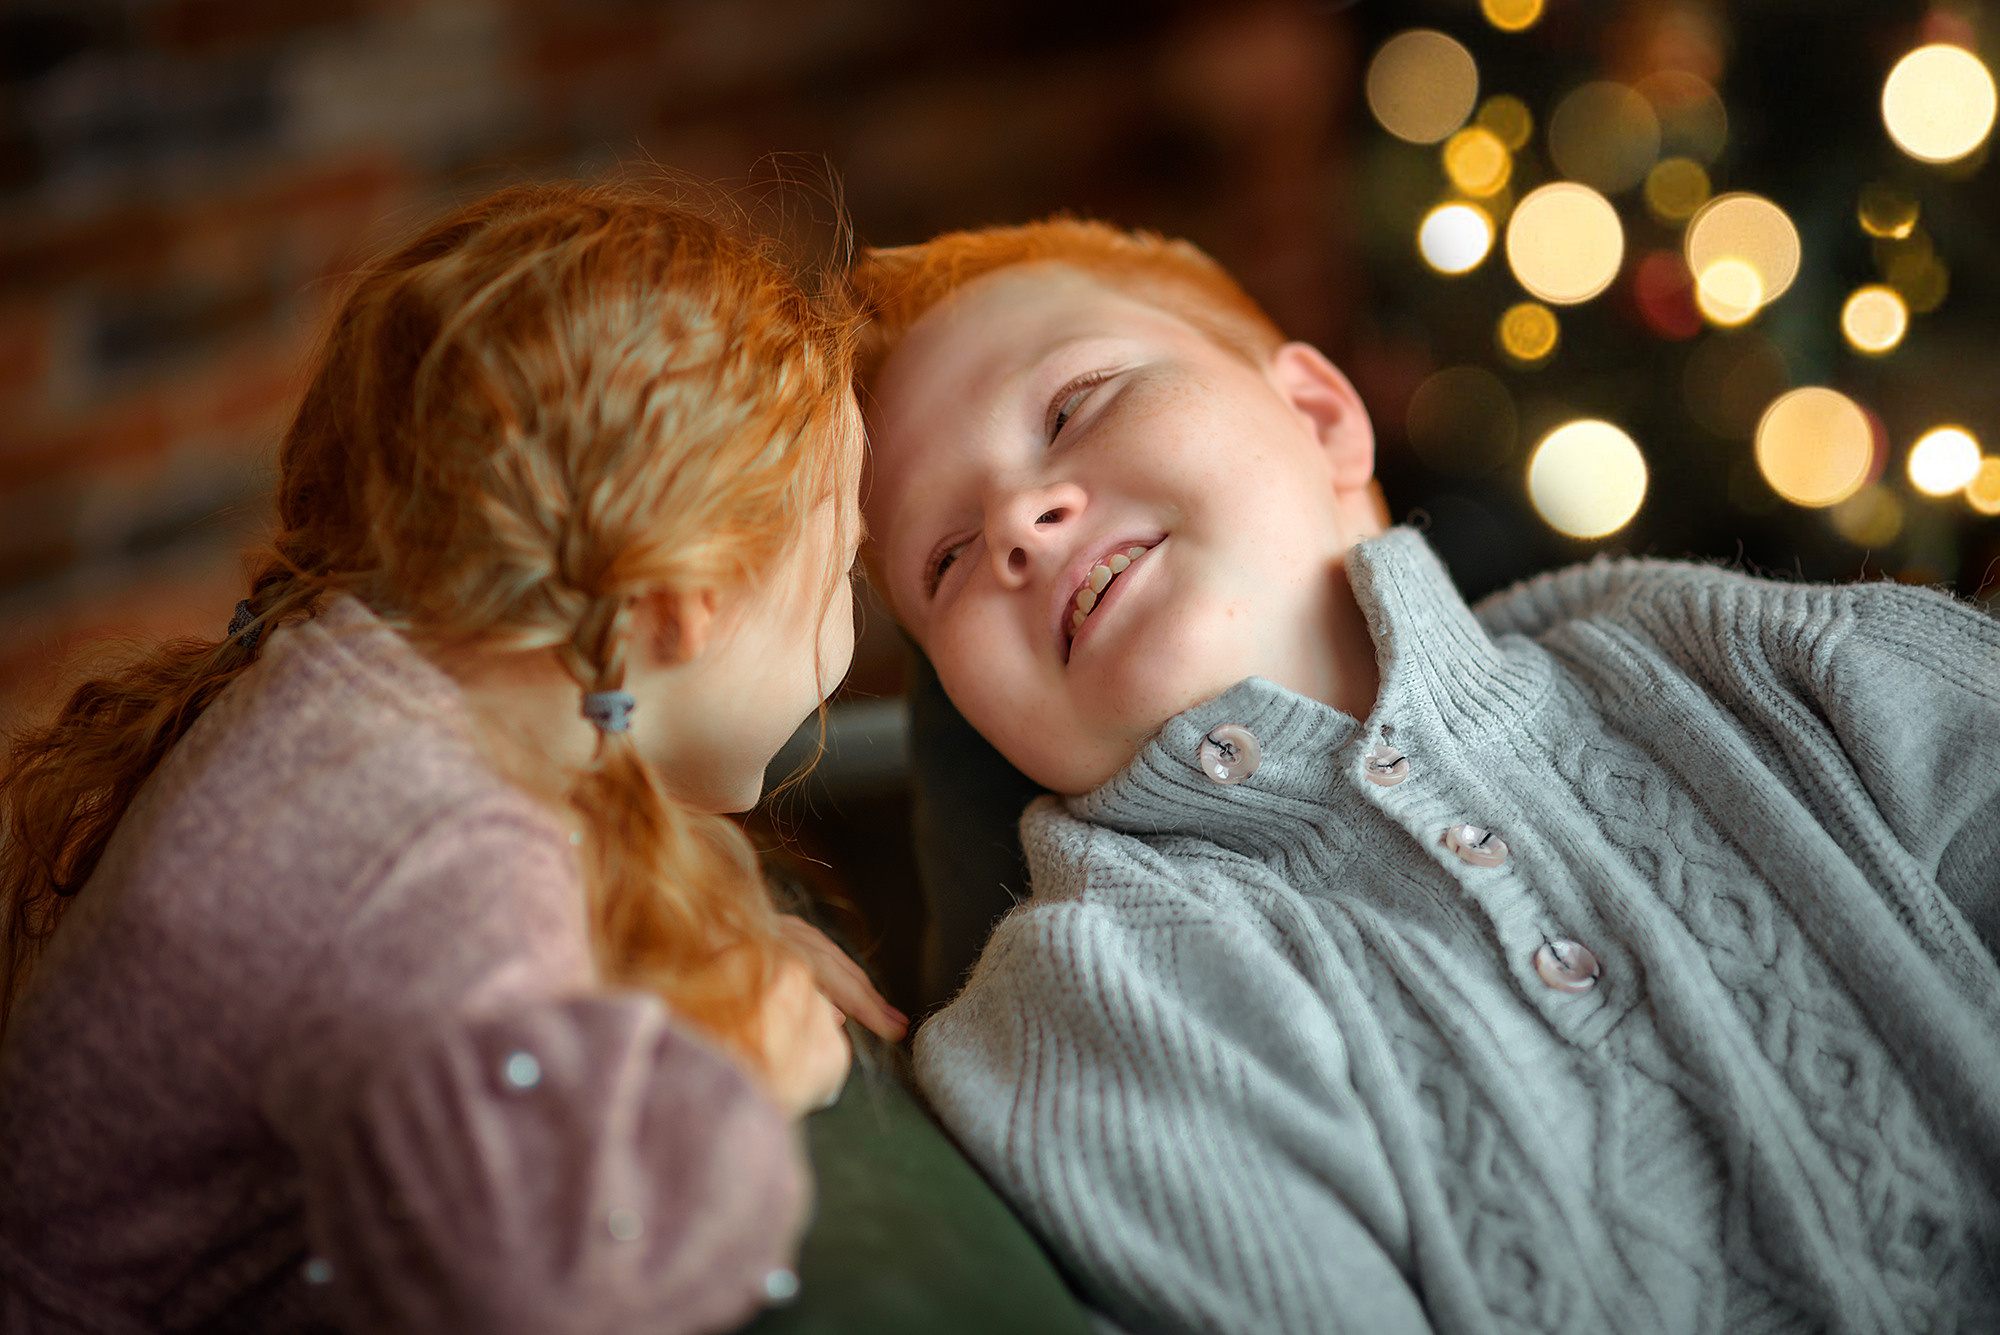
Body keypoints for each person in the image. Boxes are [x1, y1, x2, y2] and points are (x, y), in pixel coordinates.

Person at [851, 217, 2000, 1334]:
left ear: (1317, 415)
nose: (1014, 521)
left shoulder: (1748, 661)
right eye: (942, 560)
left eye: (1070, 407)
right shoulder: (1092, 1005)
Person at [0, 182, 907, 1334]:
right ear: (682, 607)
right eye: (843, 577)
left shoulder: (360, 688)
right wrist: (734, 1083)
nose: (848, 617)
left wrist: (684, 967)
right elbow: (543, 1291)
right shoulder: (437, 856)